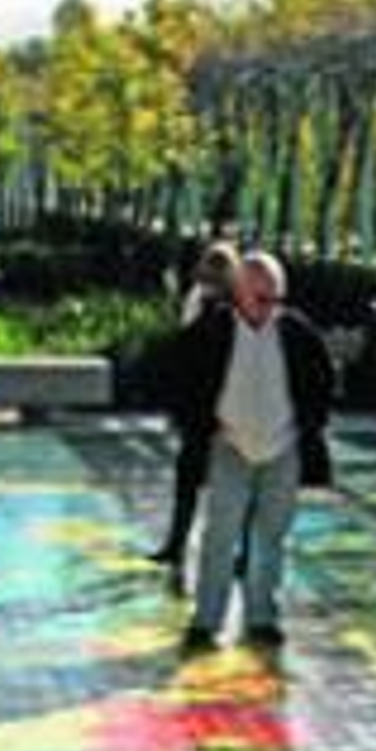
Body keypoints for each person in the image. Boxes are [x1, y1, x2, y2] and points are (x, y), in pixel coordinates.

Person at [165, 250, 334, 660]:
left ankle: (262, 617)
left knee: (269, 538)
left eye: (276, 298)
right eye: (262, 298)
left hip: (281, 446)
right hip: (231, 444)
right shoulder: (214, 329)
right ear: (240, 291)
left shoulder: (295, 333)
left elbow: (322, 380)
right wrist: (200, 426)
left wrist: (307, 428)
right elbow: (177, 375)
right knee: (220, 536)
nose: (269, 307)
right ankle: (207, 621)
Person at [146, 239, 239, 591]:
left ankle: (231, 552)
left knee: (231, 484)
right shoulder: (199, 299)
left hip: (224, 406)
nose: (213, 273)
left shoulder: (233, 308)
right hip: (199, 406)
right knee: (189, 478)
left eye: (220, 267)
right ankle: (176, 545)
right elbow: (183, 353)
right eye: (210, 266)